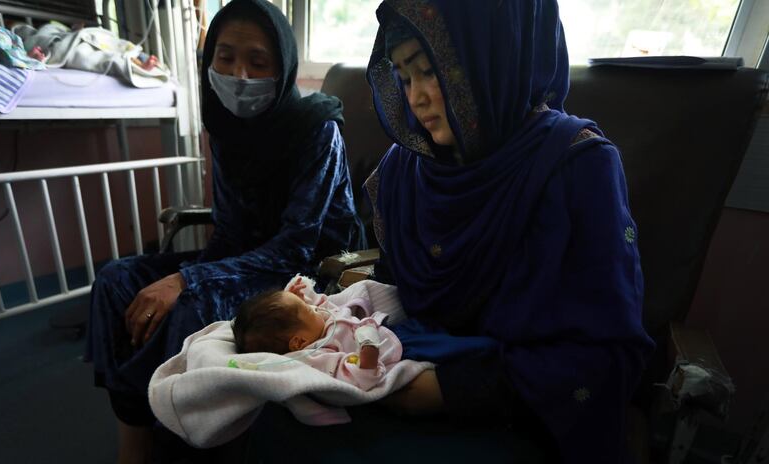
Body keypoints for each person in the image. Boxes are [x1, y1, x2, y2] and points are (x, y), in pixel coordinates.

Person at [248, 1, 655, 463]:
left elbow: (607, 355)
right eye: (404, 77)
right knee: (273, 420)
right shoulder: (406, 168)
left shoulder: (578, 168)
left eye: (432, 71)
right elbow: (396, 291)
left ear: (496, 59)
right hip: (400, 366)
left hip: (514, 402)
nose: (415, 98)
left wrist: (442, 391)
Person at [85, 0, 365, 462]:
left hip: (305, 271)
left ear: (283, 67)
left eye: (258, 62)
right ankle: (136, 435)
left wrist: (187, 280)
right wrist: (189, 272)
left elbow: (295, 247)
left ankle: (195, 438)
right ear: (209, 60)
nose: (239, 75)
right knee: (116, 280)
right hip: (245, 261)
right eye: (226, 57)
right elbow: (229, 232)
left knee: (190, 303)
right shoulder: (224, 128)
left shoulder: (316, 129)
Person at [231, 276, 403, 390]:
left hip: (382, 328)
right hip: (389, 351)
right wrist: (369, 348)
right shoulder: (321, 354)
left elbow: (324, 308)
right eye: (309, 310)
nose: (315, 308)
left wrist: (296, 302)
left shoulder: (315, 329)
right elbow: (356, 377)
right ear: (299, 343)